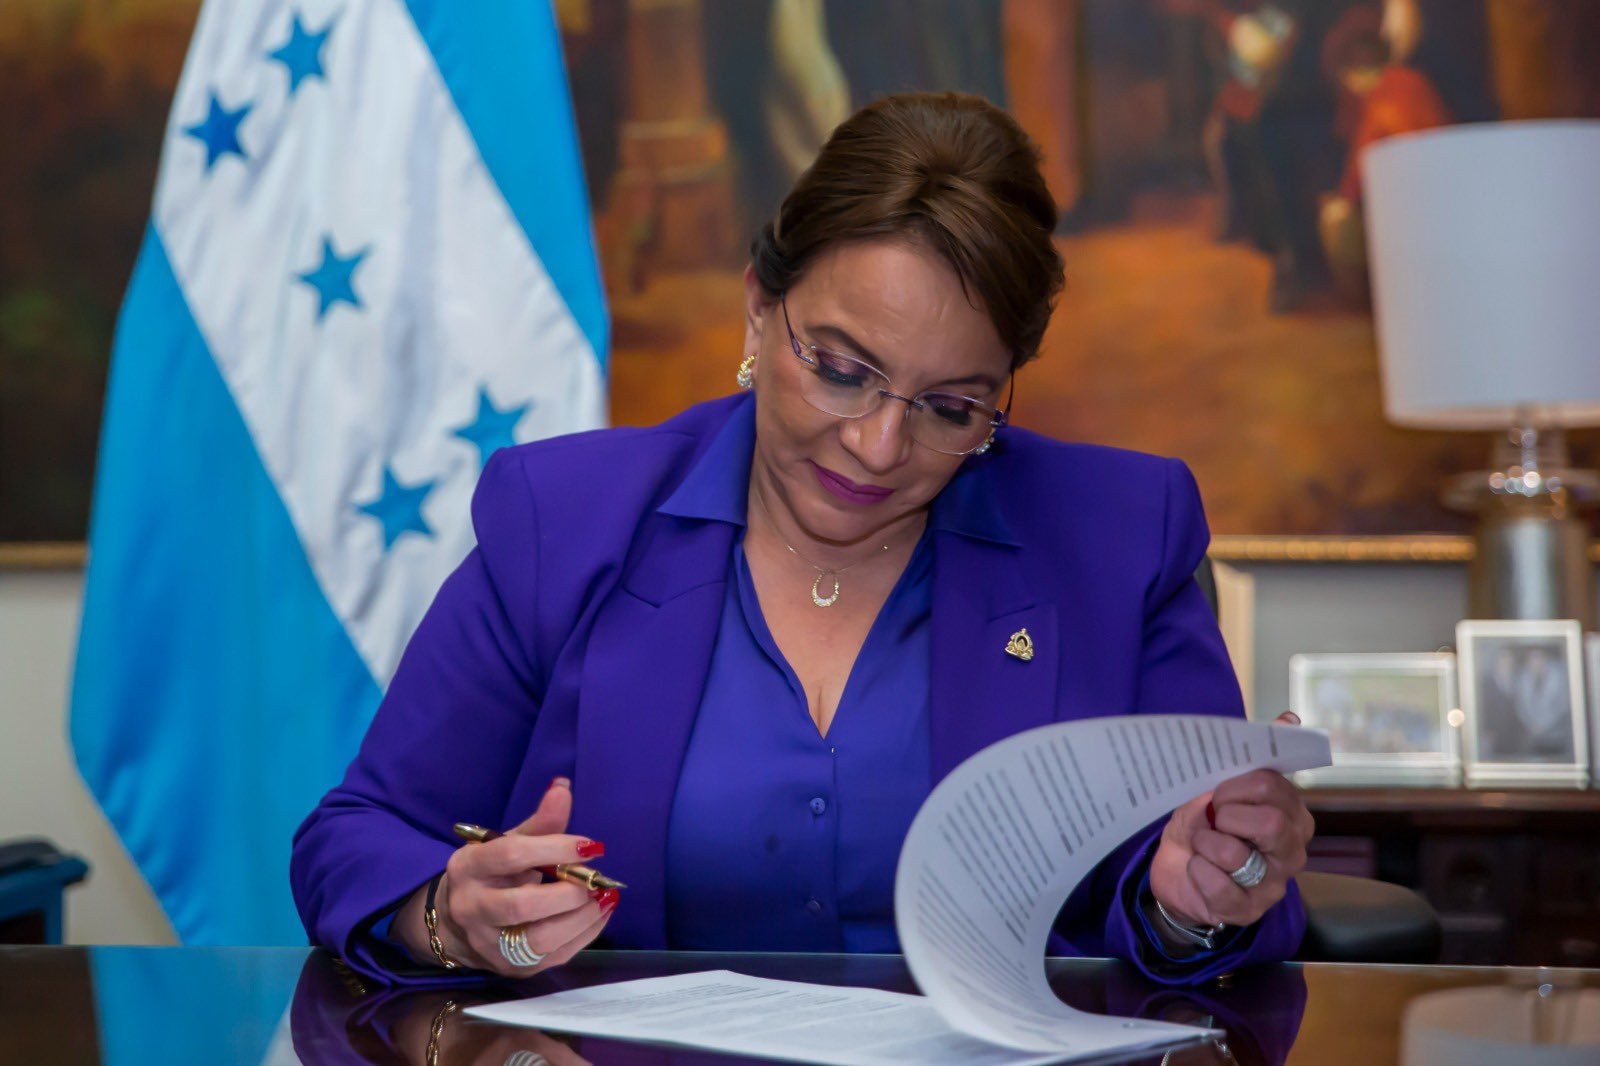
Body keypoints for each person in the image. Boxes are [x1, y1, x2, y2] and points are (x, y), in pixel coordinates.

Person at [291, 92, 1315, 988]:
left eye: (950, 407)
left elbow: (1199, 878)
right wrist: (449, 916)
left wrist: (1194, 896)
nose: (877, 445)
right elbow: (355, 841)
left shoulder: (1118, 538)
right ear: (757, 308)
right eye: (840, 368)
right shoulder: (565, 520)